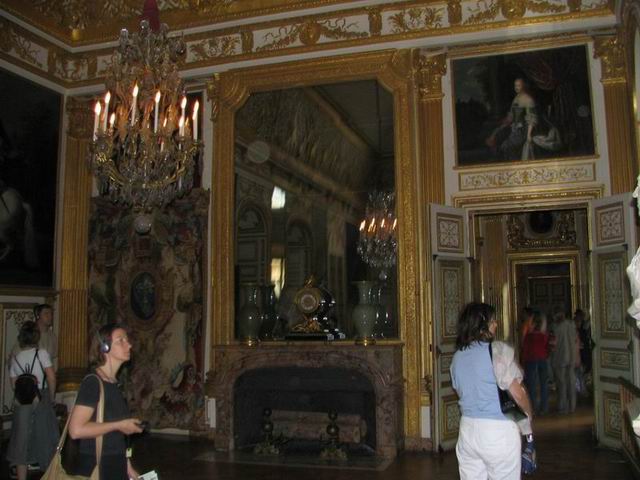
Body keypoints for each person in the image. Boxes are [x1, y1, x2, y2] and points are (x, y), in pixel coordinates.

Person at [450, 302, 534, 479]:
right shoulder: (498, 351)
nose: (496, 324)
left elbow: (460, 392)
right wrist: (528, 426)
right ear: (482, 325)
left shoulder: (457, 357)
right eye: (493, 320)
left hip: (468, 431)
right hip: (498, 432)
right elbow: (518, 395)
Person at [68, 323, 143, 479]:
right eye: (121, 340)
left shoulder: (113, 383)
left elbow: (114, 436)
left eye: (127, 340)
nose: (129, 345)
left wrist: (127, 465)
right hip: (97, 464)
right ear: (105, 348)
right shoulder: (93, 383)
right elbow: (76, 430)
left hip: (114, 462)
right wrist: (119, 425)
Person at [6, 321, 58, 480]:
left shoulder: (16, 357)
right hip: (41, 397)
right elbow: (51, 377)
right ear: (36, 336)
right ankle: (49, 476)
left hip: (22, 401)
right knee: (45, 437)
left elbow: (13, 384)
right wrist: (51, 396)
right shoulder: (41, 353)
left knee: (21, 442)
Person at [486, 78, 539, 161]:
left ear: (524, 86)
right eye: (515, 85)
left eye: (519, 85)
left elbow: (531, 118)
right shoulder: (517, 98)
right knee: (497, 136)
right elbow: (511, 116)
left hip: (523, 130)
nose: (516, 87)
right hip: (514, 128)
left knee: (506, 146)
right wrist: (502, 125)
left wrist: (529, 135)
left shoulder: (528, 100)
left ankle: (514, 164)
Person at [522, 311, 550, 415]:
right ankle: (544, 408)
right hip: (542, 359)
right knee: (544, 384)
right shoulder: (544, 336)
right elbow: (547, 348)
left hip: (531, 360)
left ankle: (533, 408)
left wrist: (523, 362)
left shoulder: (528, 336)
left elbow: (525, 350)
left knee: (532, 385)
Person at [550, 310, 577, 413]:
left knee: (561, 384)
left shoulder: (555, 327)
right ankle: (572, 406)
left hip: (559, 357)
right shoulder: (572, 325)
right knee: (571, 382)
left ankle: (563, 406)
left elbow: (552, 344)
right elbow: (575, 340)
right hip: (571, 356)